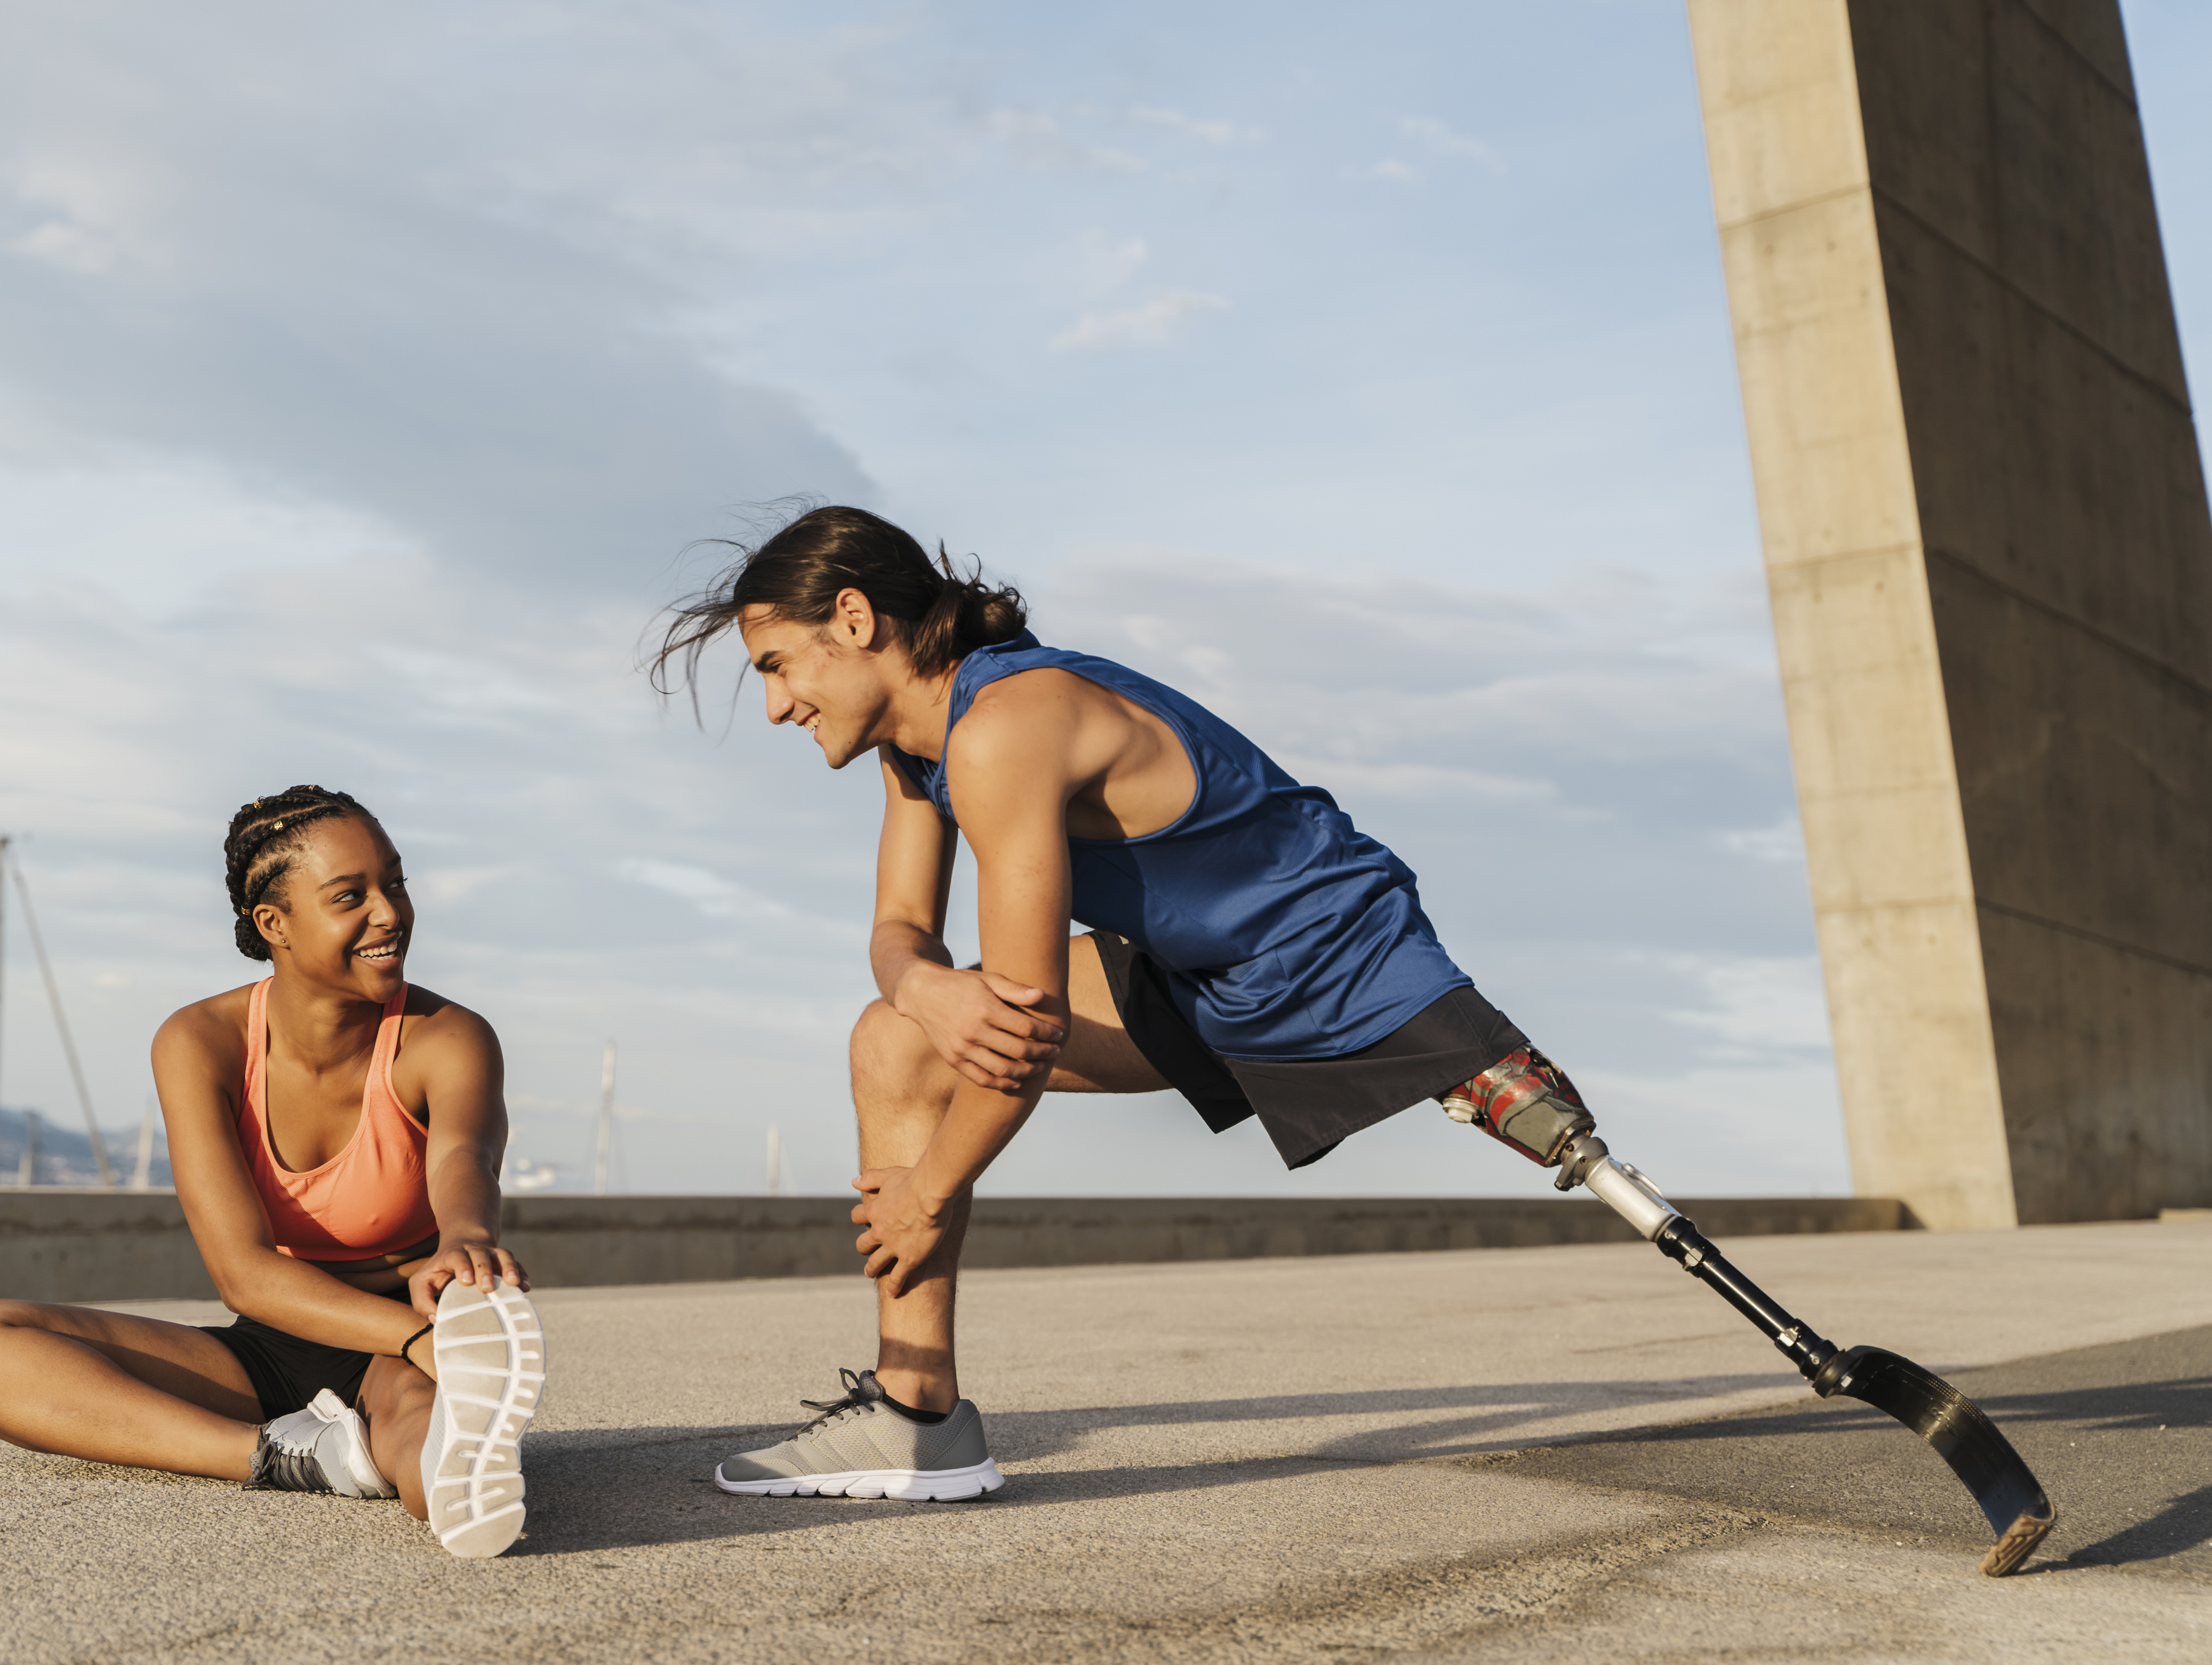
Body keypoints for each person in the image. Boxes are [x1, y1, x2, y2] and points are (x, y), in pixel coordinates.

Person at [649, 507, 1598, 1501]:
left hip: (1326, 956)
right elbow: (897, 926)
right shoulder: (915, 748)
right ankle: (914, 1412)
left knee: (948, 1046)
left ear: (854, 619)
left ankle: (1467, 1059)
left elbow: (1025, 1033)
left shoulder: (1005, 726)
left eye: (775, 664)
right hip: (1191, 968)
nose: (775, 705)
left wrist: (925, 1193)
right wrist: (921, 984)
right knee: (896, 1038)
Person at [0, 785, 547, 1559]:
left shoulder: (447, 1036)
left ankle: (451, 1454)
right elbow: (243, 1274)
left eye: (397, 882)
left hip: (394, 1342)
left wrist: (466, 1240)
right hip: (276, 1341)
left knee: (429, 1478)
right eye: (352, 895)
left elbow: (463, 1156)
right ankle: (292, 1454)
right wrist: (421, 1338)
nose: (390, 913)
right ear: (272, 924)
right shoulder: (200, 1041)